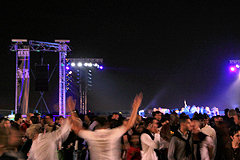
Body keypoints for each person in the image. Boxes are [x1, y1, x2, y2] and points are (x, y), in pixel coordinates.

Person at [70, 93, 143, 160]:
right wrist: (135, 107)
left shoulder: (92, 135)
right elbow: (130, 124)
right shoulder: (113, 133)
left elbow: (76, 128)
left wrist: (72, 110)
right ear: (107, 124)